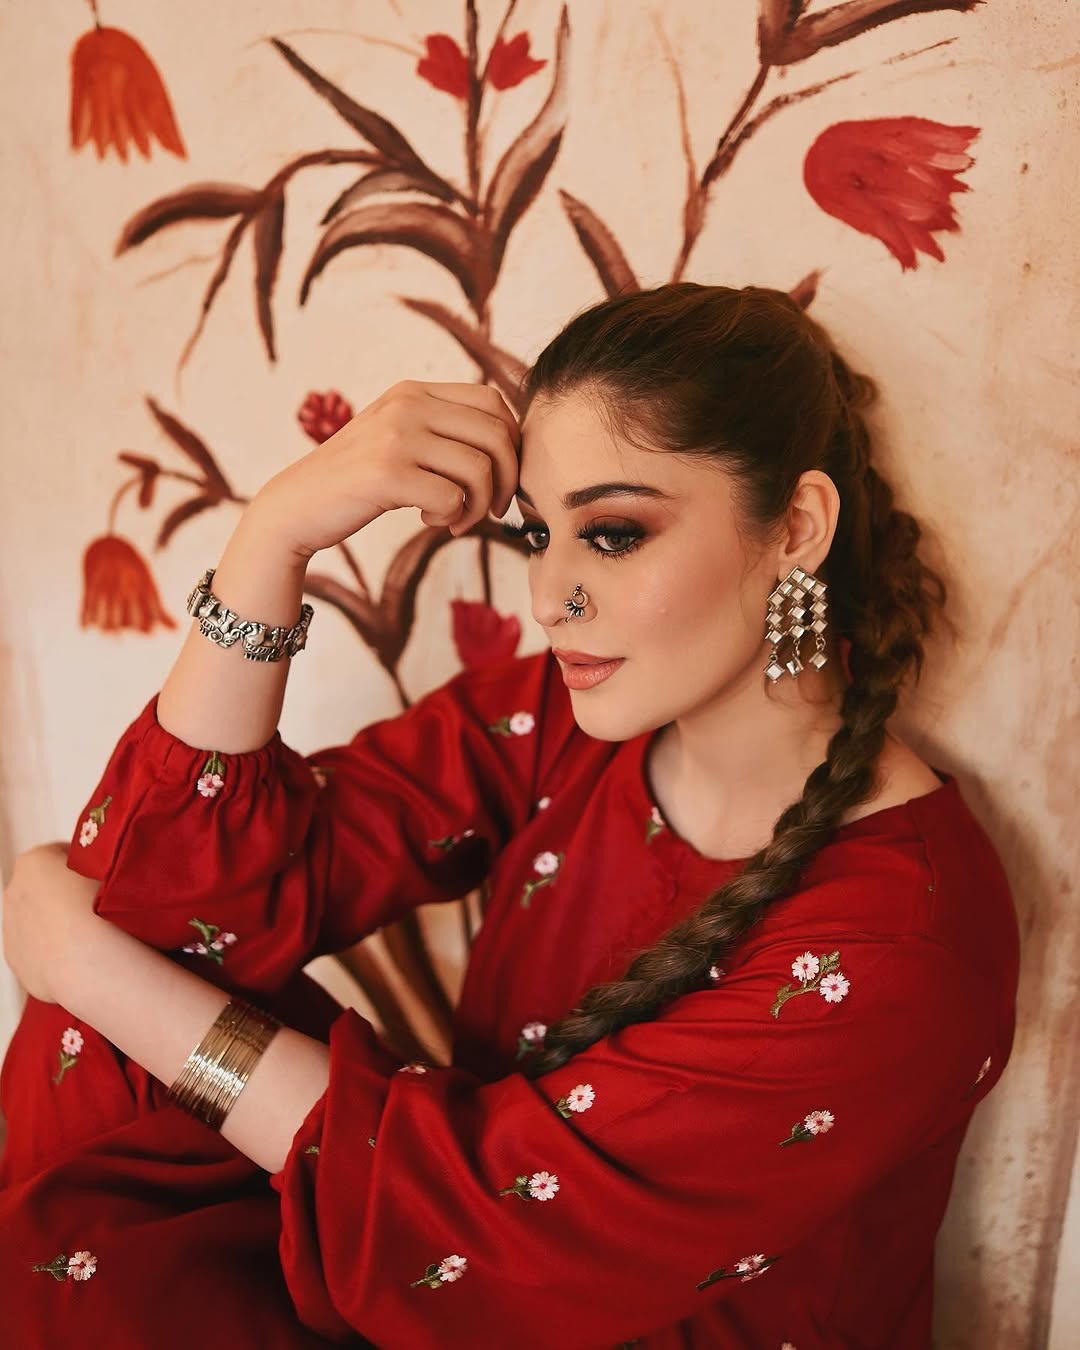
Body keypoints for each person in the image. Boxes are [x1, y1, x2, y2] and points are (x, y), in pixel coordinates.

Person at [0, 283, 1019, 1349]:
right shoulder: (563, 725)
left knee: (109, 1015)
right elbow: (178, 893)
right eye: (540, 532)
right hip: (434, 1258)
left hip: (508, 1281)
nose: (547, 598)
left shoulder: (905, 938)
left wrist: (89, 965)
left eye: (612, 534)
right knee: (105, 1042)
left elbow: (500, 1225)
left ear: (797, 528)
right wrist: (276, 536)